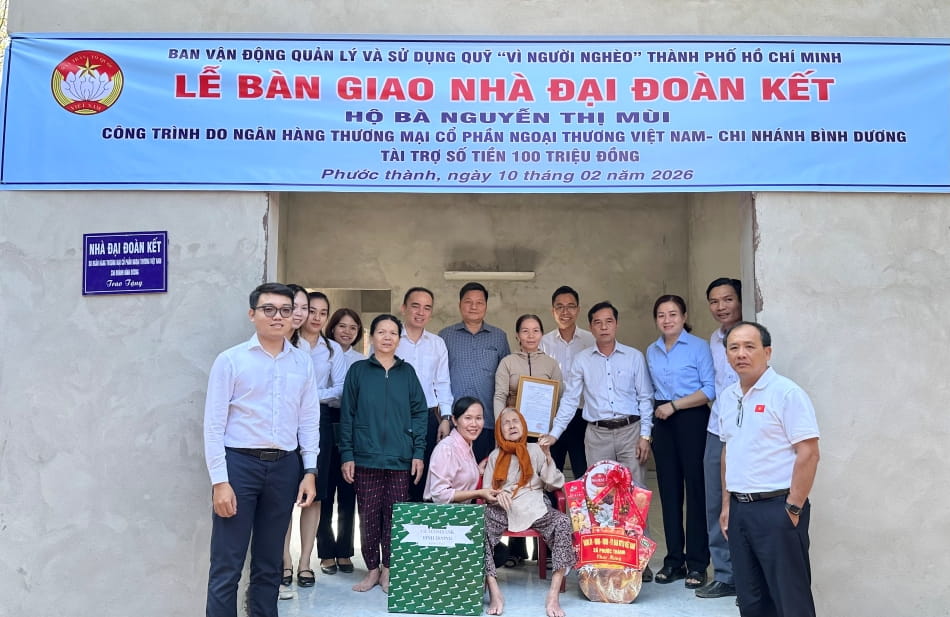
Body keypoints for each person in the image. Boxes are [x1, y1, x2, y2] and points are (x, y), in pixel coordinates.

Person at [203, 283, 319, 617]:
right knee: (227, 565)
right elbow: (213, 425)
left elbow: (308, 420)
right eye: (269, 309)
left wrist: (309, 471)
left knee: (270, 565)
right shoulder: (231, 360)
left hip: (284, 468)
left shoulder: (302, 363)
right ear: (252, 314)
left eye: (285, 310)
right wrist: (220, 481)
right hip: (239, 466)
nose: (277, 316)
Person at [539, 300, 654, 580]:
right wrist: (554, 434)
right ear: (590, 327)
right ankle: (604, 559)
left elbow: (645, 398)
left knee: (635, 495)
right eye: (598, 323)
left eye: (608, 321)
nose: (604, 327)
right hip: (597, 434)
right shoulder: (582, 360)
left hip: (630, 432)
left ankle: (640, 559)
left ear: (616, 324)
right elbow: (570, 400)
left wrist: (645, 435)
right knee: (599, 499)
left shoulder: (634, 357)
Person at [719, 322, 820, 617]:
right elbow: (728, 451)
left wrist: (794, 507)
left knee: (791, 600)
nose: (741, 354)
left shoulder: (786, 394)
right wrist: (727, 505)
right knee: (751, 600)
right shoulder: (727, 397)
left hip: (778, 509)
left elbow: (809, 453)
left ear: (767, 352)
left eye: (749, 347)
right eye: (734, 347)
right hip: (740, 511)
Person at [340, 314, 428, 594]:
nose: (387, 337)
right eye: (381, 332)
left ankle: (389, 570)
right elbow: (347, 415)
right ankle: (372, 570)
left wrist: (418, 451)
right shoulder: (358, 371)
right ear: (372, 336)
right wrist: (347, 454)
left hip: (400, 458)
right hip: (366, 457)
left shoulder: (407, 372)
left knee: (394, 516)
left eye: (393, 333)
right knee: (368, 516)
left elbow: (420, 413)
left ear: (399, 339)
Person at [646, 294, 715, 588]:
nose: (667, 320)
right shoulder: (651, 351)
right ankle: (674, 560)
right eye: (661, 315)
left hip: (692, 419)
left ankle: (697, 563)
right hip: (662, 422)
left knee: (696, 491)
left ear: (684, 317)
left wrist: (675, 406)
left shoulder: (699, 347)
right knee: (669, 491)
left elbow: (709, 389)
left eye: (673, 314)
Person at [282, 291, 347, 588]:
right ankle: (285, 560)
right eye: (312, 310)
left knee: (315, 494)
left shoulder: (332, 350)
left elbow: (340, 390)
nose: (317, 317)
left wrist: (309, 395)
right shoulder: (287, 343)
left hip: (319, 420)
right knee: (283, 494)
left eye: (323, 312)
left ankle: (305, 562)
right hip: (286, 420)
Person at [483, 408, 574, 617]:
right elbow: (487, 490)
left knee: (562, 523)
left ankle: (553, 595)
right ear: (499, 431)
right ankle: (494, 590)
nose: (512, 425)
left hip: (535, 505)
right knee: (480, 526)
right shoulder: (495, 455)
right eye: (506, 423)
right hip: (504, 507)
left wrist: (548, 456)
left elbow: (555, 483)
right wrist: (496, 495)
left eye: (516, 421)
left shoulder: (535, 449)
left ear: (523, 426)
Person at [493, 313, 562, 566]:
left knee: (542, 485)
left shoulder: (551, 364)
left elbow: (559, 398)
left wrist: (553, 431)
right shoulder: (508, 362)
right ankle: (516, 550)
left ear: (541, 334)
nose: (530, 335)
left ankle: (550, 550)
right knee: (515, 485)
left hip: (541, 435)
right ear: (517, 335)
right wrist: (501, 429)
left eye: (535, 330)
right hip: (513, 434)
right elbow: (499, 396)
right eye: (525, 331)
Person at [696, 278, 742, 599]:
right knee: (715, 500)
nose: (721, 307)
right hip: (717, 427)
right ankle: (725, 574)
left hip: (747, 428)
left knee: (747, 501)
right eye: (714, 301)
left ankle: (749, 575)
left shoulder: (752, 333)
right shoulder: (713, 339)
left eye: (727, 299)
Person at [315, 308, 365, 576]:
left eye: (353, 327)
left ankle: (345, 550)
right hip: (324, 419)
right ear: (332, 327)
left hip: (352, 425)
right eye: (342, 326)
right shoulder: (322, 354)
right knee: (323, 491)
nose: (347, 331)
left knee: (348, 491)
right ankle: (325, 552)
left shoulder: (362, 360)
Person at [439, 282, 510, 462]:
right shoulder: (445, 336)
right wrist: (444, 418)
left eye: (479, 302)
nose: (474, 306)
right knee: (453, 471)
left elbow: (507, 379)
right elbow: (438, 379)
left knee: (484, 471)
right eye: (468, 302)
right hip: (454, 421)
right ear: (459, 305)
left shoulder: (499, 337)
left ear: (486, 306)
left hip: (487, 421)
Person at [397, 287, 454, 503]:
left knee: (424, 477)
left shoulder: (437, 343)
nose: (421, 312)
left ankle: (420, 523)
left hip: (427, 417)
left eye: (427, 308)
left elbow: (443, 383)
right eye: (415, 306)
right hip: (395, 417)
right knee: (397, 477)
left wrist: (446, 418)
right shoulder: (391, 337)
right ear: (404, 308)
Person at [540, 285, 594, 480]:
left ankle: (585, 502)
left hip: (583, 415)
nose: (565, 312)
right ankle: (553, 502)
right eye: (560, 307)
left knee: (584, 470)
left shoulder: (591, 340)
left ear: (578, 310)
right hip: (553, 415)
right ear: (552, 310)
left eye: (570, 306)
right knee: (552, 471)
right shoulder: (543, 343)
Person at [423, 396, 498, 505]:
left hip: (461, 512)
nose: (474, 424)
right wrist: (479, 493)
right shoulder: (447, 448)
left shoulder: (467, 445)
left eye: (478, 418)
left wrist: (478, 471)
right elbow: (440, 495)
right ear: (454, 420)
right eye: (468, 418)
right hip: (442, 514)